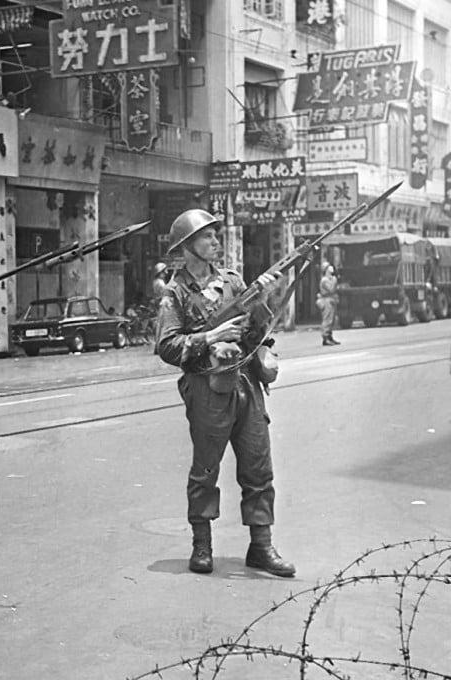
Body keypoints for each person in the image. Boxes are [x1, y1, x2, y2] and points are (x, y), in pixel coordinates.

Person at [154, 209, 295, 578]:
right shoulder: (175, 293)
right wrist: (211, 337)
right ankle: (202, 546)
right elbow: (167, 346)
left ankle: (261, 546)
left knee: (258, 465)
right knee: (205, 469)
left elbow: (255, 334)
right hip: (207, 387)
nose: (215, 241)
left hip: (246, 382)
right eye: (207, 236)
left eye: (216, 235)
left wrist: (263, 300)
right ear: (187, 246)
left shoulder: (232, 281)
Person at [317, 261, 341, 346]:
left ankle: (330, 336)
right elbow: (331, 289)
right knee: (327, 319)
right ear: (326, 269)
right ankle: (325, 337)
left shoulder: (330, 279)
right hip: (326, 301)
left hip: (331, 300)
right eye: (329, 267)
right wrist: (335, 280)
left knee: (332, 319)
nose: (332, 268)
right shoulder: (325, 280)